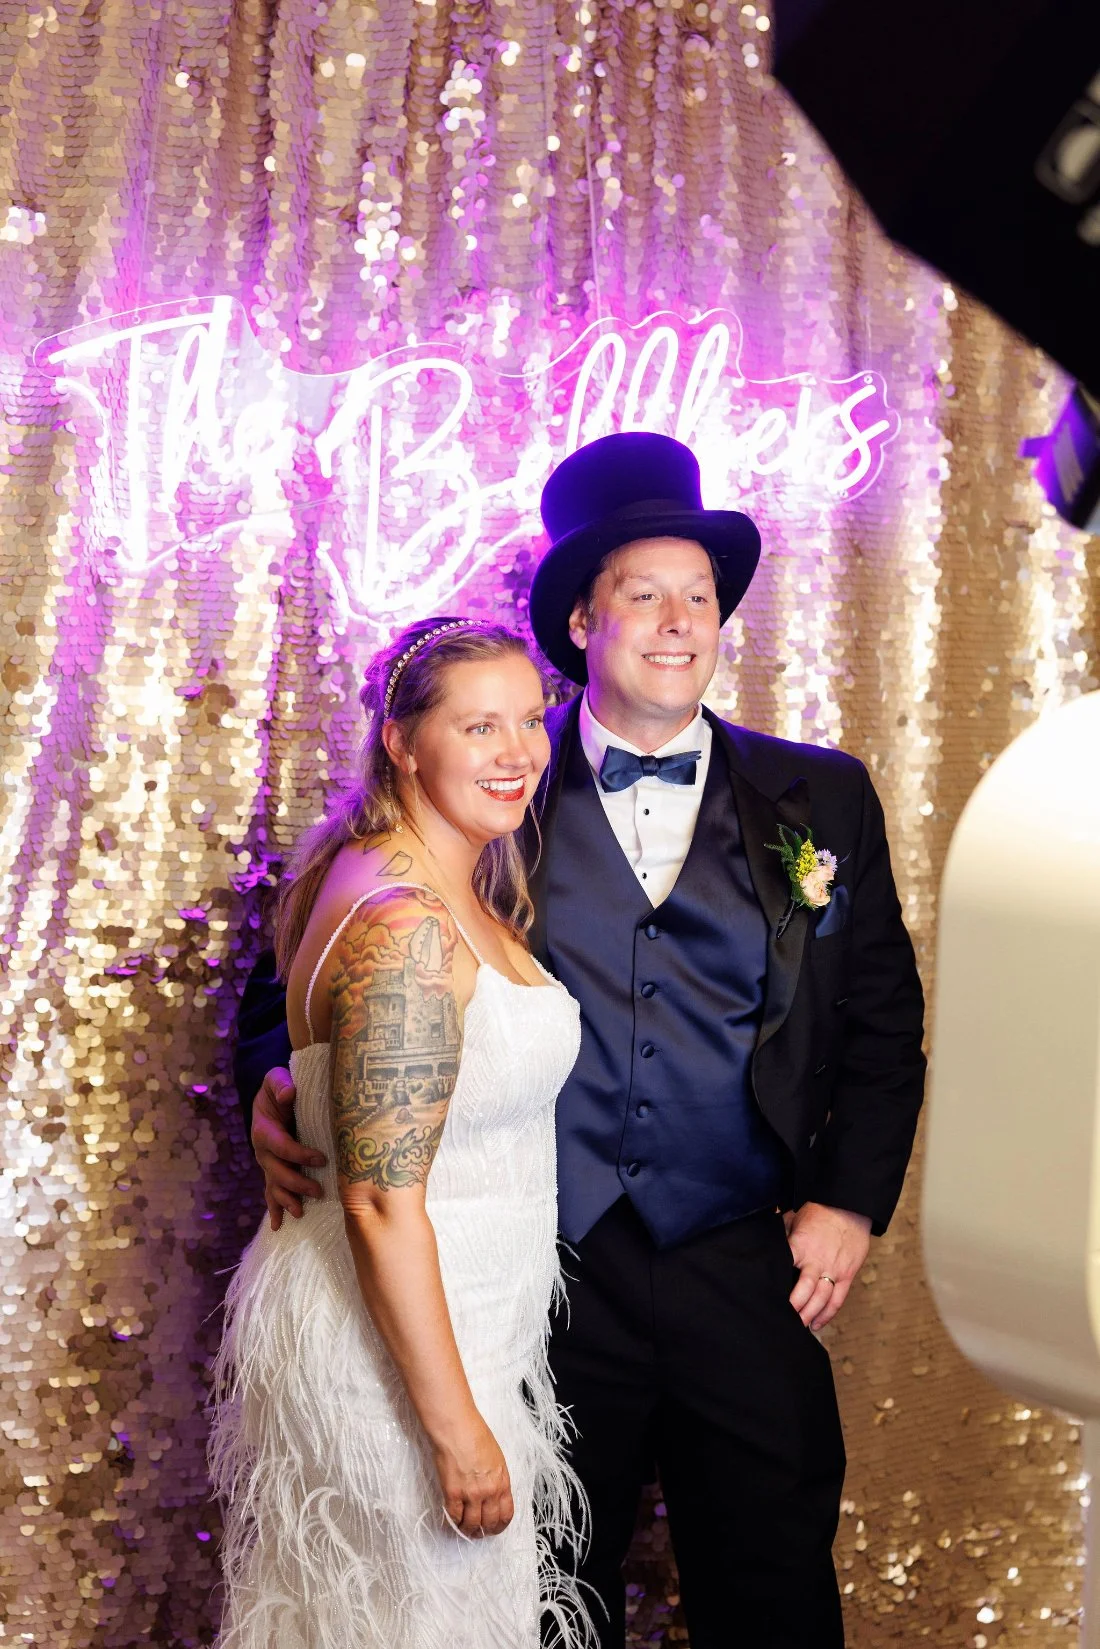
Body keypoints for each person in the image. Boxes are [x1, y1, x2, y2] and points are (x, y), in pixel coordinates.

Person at [236, 433, 927, 1648]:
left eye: (698, 597)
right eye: (642, 594)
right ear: (579, 621)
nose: (678, 623)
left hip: (737, 1253)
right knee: (544, 1598)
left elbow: (881, 1019)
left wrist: (850, 1199)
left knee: (771, 1588)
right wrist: (278, 1084)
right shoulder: (490, 778)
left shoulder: (821, 797)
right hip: (544, 1278)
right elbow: (300, 973)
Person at [209, 619, 595, 1649]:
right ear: (401, 741)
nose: (517, 751)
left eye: (528, 718)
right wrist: (454, 1429)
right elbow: (380, 1199)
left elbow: (360, 1071)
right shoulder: (407, 921)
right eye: (478, 725)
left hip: (453, 1330)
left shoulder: (413, 872)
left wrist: (295, 1084)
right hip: (395, 1365)